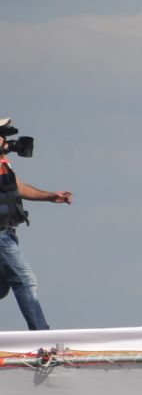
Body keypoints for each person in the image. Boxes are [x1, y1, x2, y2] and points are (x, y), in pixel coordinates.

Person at [0, 122, 72, 331]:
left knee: (3, 287)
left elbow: (19, 187)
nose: (7, 141)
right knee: (25, 280)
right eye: (2, 136)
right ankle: (41, 334)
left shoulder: (4, 163)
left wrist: (50, 196)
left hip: (8, 232)